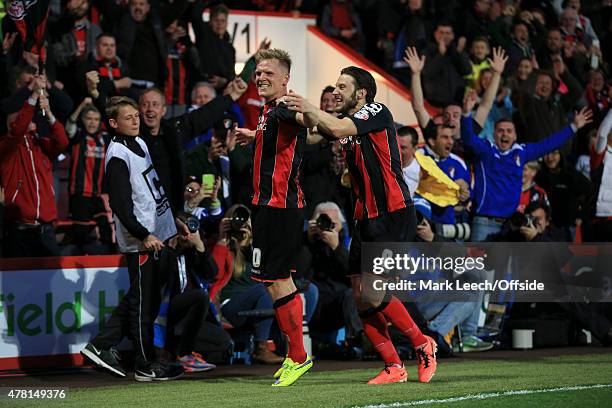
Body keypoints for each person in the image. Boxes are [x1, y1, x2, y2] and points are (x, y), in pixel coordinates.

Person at [284, 66, 437, 384]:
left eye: (343, 86)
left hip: (392, 214)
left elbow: (335, 130)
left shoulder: (377, 111)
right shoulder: (344, 123)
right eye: (335, 86)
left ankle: (423, 343)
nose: (336, 91)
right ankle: (393, 366)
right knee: (359, 295)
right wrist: (276, 119)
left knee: (374, 290)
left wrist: (310, 106)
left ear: (362, 93)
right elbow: (313, 134)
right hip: (364, 218)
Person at [80, 96, 182, 381]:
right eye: (129, 117)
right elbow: (121, 205)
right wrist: (143, 234)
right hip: (141, 240)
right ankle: (144, 362)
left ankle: (102, 346)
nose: (136, 120)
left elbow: (151, 191)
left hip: (156, 234)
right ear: (113, 123)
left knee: (143, 300)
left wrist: (171, 222)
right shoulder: (117, 155)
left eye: (136, 115)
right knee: (142, 304)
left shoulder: (139, 144)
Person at [234, 49, 314, 386]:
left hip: (280, 206)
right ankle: (294, 354)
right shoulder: (268, 112)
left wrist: (305, 112)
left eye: (268, 73)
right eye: (258, 73)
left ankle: (298, 356)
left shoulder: (283, 106)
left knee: (279, 280)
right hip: (268, 206)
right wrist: (256, 136)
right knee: (273, 281)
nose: (261, 77)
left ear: (285, 79)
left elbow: (302, 122)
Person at [461, 103, 593, 241]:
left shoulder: (521, 152)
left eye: (509, 131)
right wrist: (466, 114)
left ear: (515, 136)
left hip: (510, 226)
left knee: (506, 264)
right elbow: (468, 138)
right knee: (481, 263)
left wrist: (573, 127)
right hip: (484, 223)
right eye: (500, 130)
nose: (505, 134)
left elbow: (548, 144)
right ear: (494, 135)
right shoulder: (485, 150)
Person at [209, 205, 286, 365]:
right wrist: (222, 239)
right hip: (229, 307)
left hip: (257, 305)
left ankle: (289, 346)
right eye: (236, 220)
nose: (241, 224)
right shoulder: (224, 245)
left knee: (275, 288)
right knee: (263, 288)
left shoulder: (257, 246)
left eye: (245, 220)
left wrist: (256, 238)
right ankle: (261, 348)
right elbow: (214, 275)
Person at [0, 76, 68, 257]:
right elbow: (18, 130)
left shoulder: (41, 145)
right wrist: (34, 95)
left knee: (49, 282)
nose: (29, 118)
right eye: (23, 116)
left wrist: (50, 114)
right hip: (19, 230)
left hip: (45, 230)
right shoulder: (6, 147)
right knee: (17, 283)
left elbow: (62, 141)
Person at [65, 98, 113, 253]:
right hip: (80, 195)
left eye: (96, 119)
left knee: (107, 231)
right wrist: (81, 106)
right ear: (83, 120)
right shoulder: (78, 137)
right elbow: (70, 124)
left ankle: (109, 263)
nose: (92, 123)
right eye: (89, 119)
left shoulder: (104, 139)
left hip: (98, 195)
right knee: (81, 233)